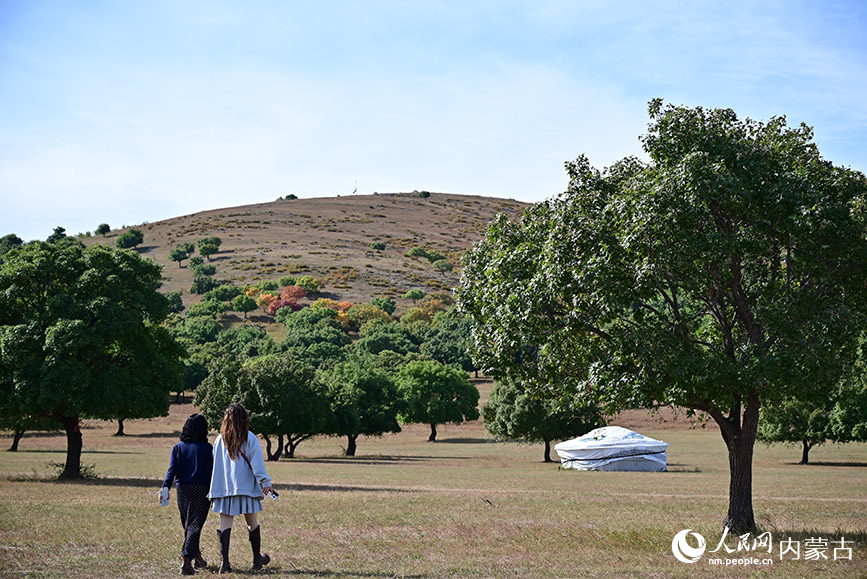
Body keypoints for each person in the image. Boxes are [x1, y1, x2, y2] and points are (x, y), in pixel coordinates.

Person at [208, 403, 274, 573]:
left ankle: (225, 564)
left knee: (225, 525)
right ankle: (257, 560)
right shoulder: (250, 438)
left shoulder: (219, 440)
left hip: (225, 489)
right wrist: (265, 482)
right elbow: (257, 465)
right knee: (252, 523)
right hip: (246, 488)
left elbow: (216, 466)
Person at [161, 413, 214, 575]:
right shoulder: (207, 448)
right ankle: (186, 562)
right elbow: (210, 473)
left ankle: (198, 558)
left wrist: (165, 487)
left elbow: (172, 470)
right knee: (195, 526)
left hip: (182, 489)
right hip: (201, 489)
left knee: (188, 524)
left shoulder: (178, 447)